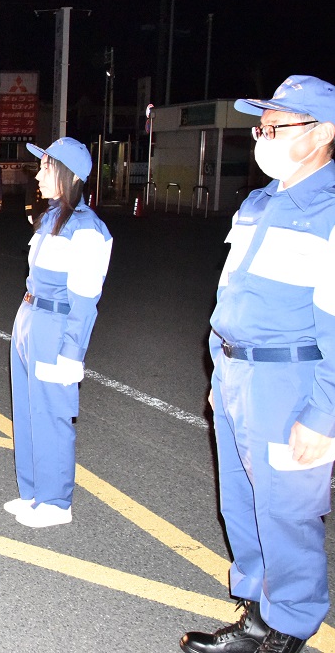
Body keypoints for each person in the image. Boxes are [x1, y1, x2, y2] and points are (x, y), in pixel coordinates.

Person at [181, 75, 335, 653]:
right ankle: (254, 607)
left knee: (286, 509)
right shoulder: (258, 204)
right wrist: (221, 373)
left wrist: (325, 416)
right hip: (238, 371)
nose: (263, 138)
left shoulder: (329, 211)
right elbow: (233, 297)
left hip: (290, 379)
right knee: (240, 500)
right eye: (261, 127)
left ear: (323, 133)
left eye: (278, 127)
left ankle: (286, 625)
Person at [6, 137, 112, 528]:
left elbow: (85, 299)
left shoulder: (86, 229)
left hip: (56, 324)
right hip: (30, 316)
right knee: (28, 410)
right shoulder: (50, 218)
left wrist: (72, 353)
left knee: (51, 413)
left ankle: (56, 501)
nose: (38, 174)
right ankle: (33, 492)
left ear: (66, 175)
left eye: (45, 167)